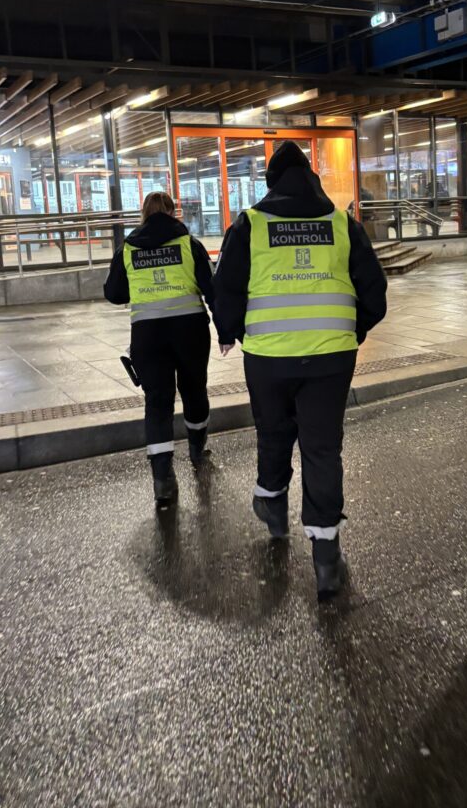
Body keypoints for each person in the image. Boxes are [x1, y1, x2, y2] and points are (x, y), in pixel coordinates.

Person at [214, 141, 387, 600]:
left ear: (271, 184)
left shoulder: (249, 225)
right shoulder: (341, 224)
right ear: (311, 178)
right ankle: (326, 554)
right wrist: (354, 329)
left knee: (273, 432)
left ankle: (271, 503)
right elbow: (375, 292)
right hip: (331, 358)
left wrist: (229, 331)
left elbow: (225, 286)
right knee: (322, 447)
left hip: (269, 357)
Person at [103, 192, 233, 508]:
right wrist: (226, 331)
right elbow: (212, 289)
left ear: (144, 214)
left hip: (148, 336)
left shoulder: (128, 249)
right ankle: (196, 447)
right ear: (173, 213)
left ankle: (163, 479)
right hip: (190, 331)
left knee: (158, 403)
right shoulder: (190, 244)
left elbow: (114, 293)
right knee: (193, 389)